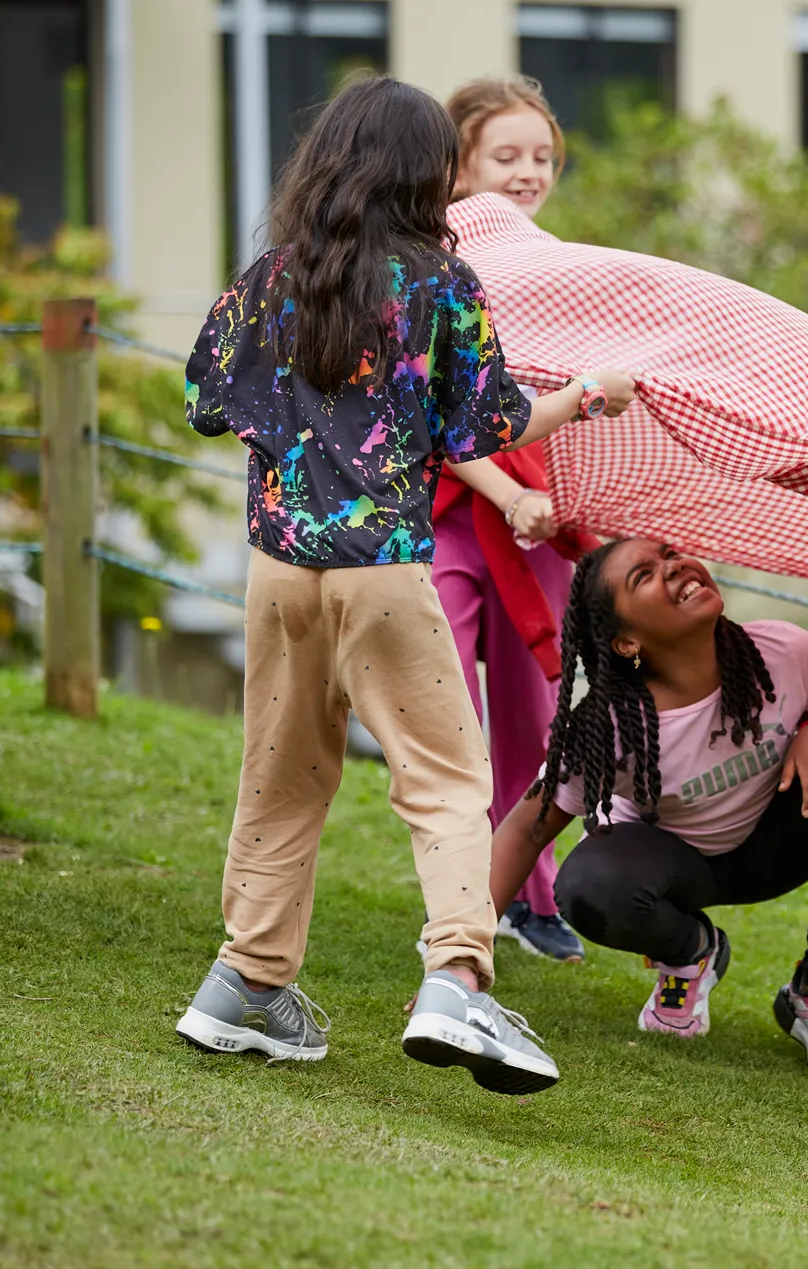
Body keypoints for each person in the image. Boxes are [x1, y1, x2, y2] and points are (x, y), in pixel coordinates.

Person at [172, 74, 635, 1095]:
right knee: (446, 779)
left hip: (276, 572)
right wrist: (587, 396)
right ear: (431, 173)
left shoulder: (273, 274)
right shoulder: (442, 284)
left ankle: (246, 983)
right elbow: (490, 427)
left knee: (279, 780)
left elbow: (206, 398)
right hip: (381, 569)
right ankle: (458, 978)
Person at [488, 539, 808, 1083]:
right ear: (626, 642)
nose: (674, 567)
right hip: (675, 870)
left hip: (772, 847)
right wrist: (461, 956)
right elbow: (525, 829)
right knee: (589, 886)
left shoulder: (785, 650)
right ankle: (691, 952)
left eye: (669, 554)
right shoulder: (608, 724)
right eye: (644, 576)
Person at [431, 75, 589, 963]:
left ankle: (532, 897)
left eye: (543, 157)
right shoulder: (431, 265)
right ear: (459, 166)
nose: (530, 172)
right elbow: (430, 413)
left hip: (540, 525)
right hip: (451, 511)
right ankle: (456, 898)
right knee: (444, 708)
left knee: (535, 716)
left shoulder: (563, 269)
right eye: (507, 156)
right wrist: (507, 493)